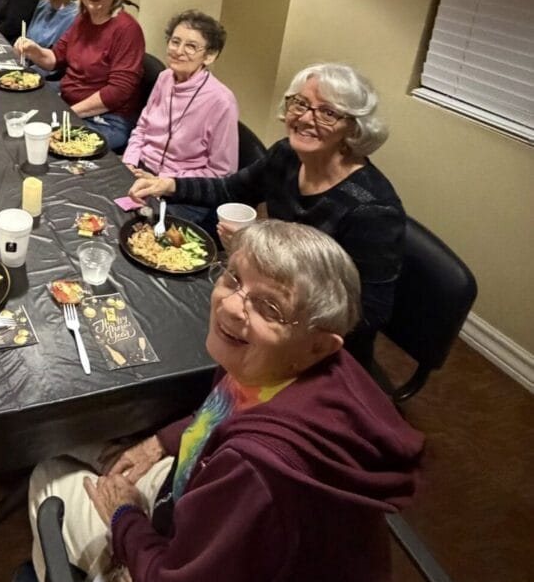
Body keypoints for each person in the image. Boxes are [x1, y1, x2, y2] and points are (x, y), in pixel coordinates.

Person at [14, 220, 423, 582]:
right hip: (220, 537)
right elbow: (222, 410)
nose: (231, 306)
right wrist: (161, 442)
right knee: (81, 441)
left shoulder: (258, 474)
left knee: (47, 475)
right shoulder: (298, 370)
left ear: (318, 345)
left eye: (269, 308)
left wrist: (125, 519)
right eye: (233, 279)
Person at [129, 63, 404, 362]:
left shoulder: (372, 210)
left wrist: (264, 256)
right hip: (265, 302)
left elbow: (369, 313)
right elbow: (230, 189)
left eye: (328, 112)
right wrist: (169, 185)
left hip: (311, 344)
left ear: (353, 127)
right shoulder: (287, 155)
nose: (305, 118)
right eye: (300, 103)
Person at [14, 0, 145, 150]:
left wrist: (67, 114)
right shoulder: (83, 20)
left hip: (106, 119)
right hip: (69, 102)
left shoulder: (127, 29)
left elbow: (118, 92)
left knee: (40, 145)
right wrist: (34, 50)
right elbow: (55, 59)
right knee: (16, 114)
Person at [122, 10, 237, 221]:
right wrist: (129, 162)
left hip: (182, 192)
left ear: (209, 56)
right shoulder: (164, 78)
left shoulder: (221, 101)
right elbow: (142, 128)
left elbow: (221, 173)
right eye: (175, 42)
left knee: (137, 230)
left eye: (191, 46)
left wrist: (166, 181)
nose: (179, 51)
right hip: (141, 171)